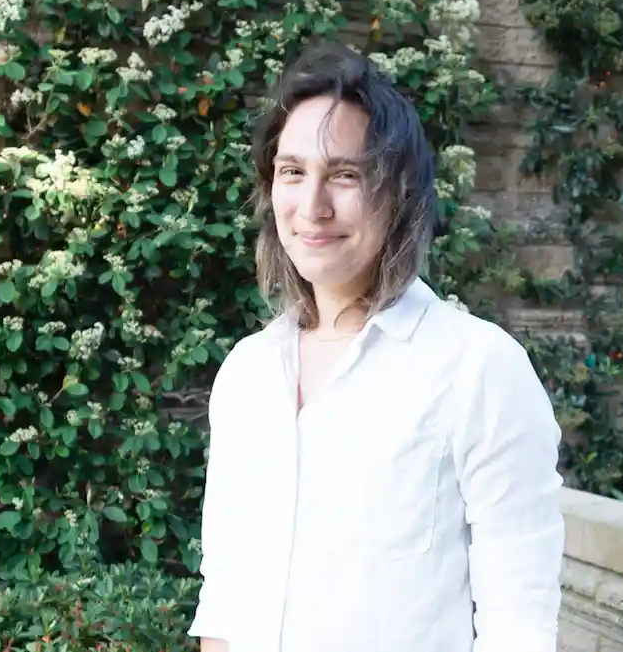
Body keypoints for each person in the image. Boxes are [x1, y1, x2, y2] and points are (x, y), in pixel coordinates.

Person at [187, 42, 565, 652]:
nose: (312, 207)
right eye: (292, 172)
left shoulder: (477, 368)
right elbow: (227, 597)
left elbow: (519, 620)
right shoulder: (248, 373)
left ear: (400, 193)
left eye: (345, 174)